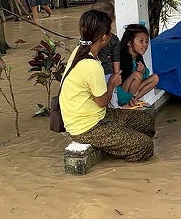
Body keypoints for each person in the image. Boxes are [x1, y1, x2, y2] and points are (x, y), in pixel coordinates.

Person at [59, 10, 154, 161]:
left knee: (146, 120)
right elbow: (102, 102)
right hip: (87, 127)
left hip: (96, 116)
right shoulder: (92, 66)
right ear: (104, 38)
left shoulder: (79, 50)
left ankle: (121, 142)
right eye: (110, 31)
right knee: (145, 146)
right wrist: (111, 83)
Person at [91, 0, 122, 108]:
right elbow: (116, 60)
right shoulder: (113, 40)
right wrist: (117, 76)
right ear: (113, 18)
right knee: (112, 104)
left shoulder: (85, 39)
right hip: (108, 75)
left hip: (92, 78)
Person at [118, 24, 160, 105]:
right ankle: (128, 101)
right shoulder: (123, 57)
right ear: (129, 43)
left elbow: (146, 75)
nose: (145, 45)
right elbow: (122, 81)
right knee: (137, 75)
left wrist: (144, 70)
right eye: (141, 41)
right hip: (121, 92)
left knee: (155, 78)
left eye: (147, 41)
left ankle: (134, 99)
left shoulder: (138, 57)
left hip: (132, 89)